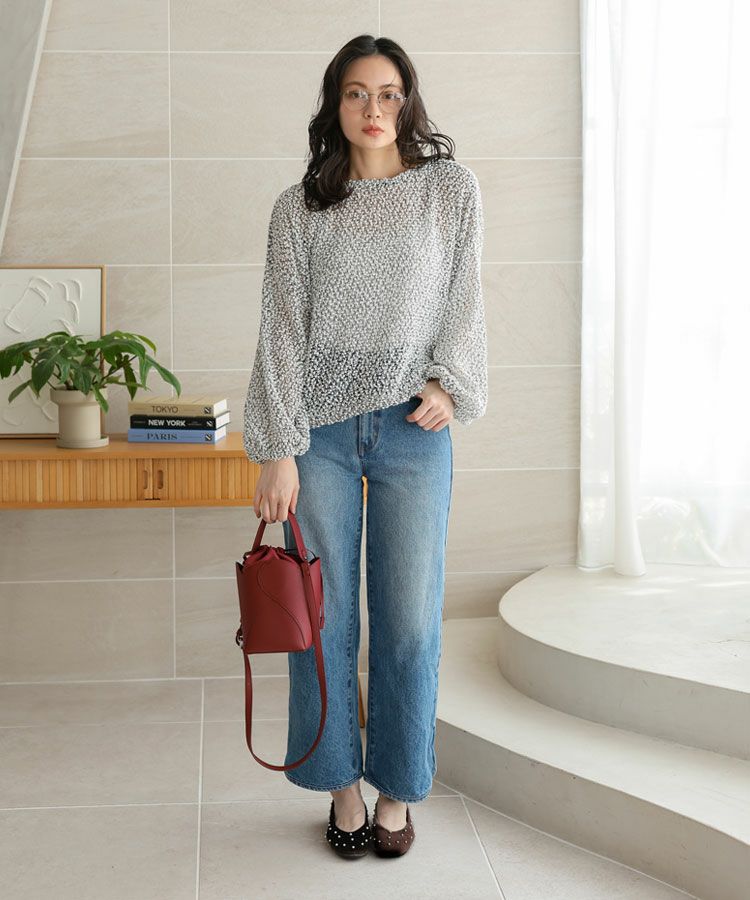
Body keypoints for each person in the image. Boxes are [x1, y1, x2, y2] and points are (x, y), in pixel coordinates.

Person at [242, 33, 487, 859]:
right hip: (319, 433)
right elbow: (281, 330)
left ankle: (396, 792)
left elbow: (465, 297)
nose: (373, 109)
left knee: (410, 620)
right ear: (335, 104)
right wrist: (277, 446)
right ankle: (339, 786)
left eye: (387, 93)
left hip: (415, 429)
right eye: (356, 93)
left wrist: (451, 383)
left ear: (407, 102)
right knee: (321, 619)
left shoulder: (449, 190)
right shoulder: (299, 208)